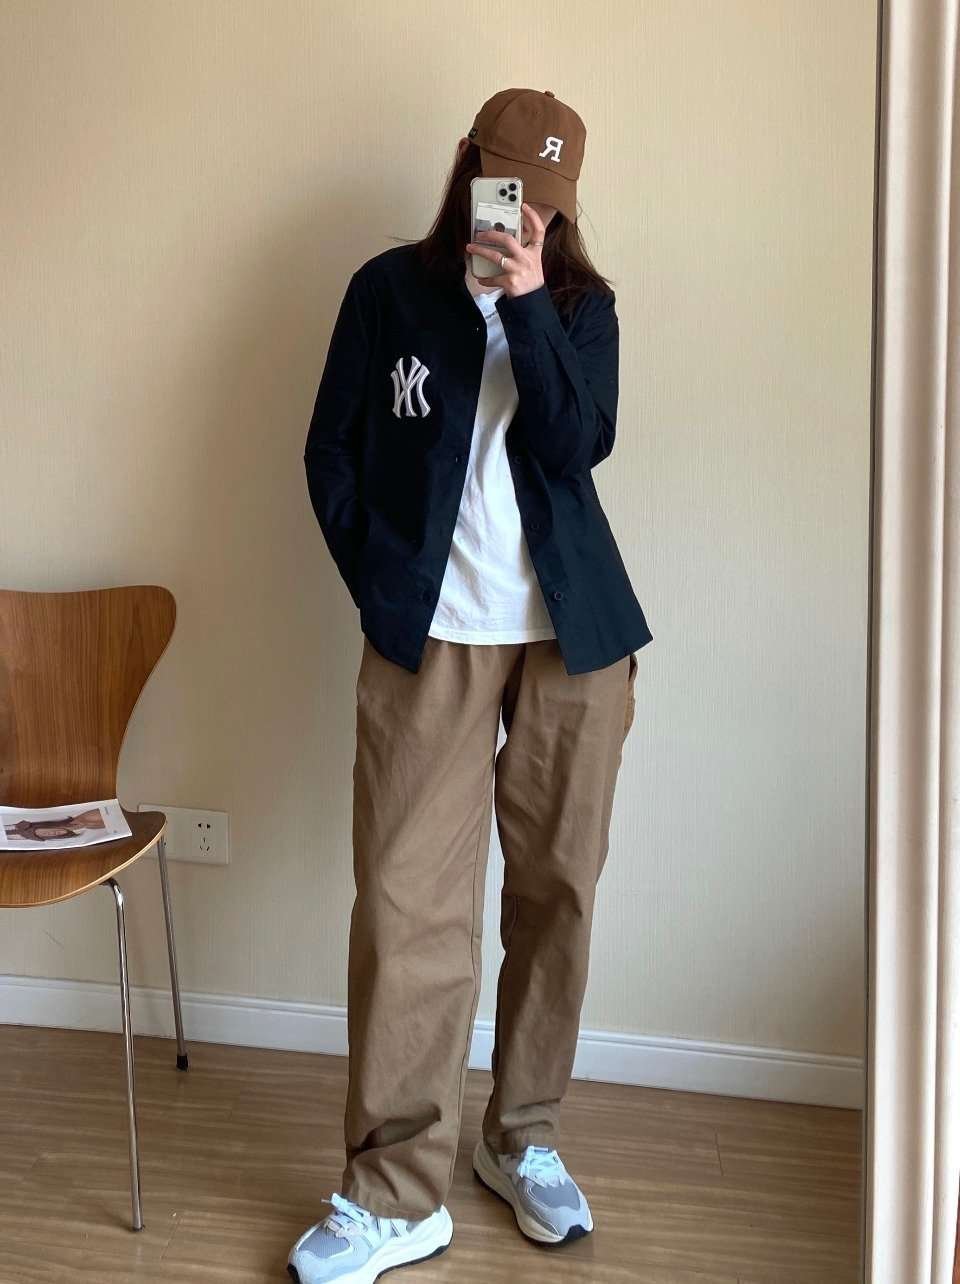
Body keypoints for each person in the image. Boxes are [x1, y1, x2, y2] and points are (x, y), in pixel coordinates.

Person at [289, 86, 653, 1284]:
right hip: (430, 640)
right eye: (508, 188)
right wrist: (382, 581)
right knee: (406, 911)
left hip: (573, 643)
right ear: (468, 167)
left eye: (546, 202)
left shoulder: (584, 308)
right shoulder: (388, 292)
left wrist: (531, 302)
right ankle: (396, 1193)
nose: (522, 214)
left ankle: (522, 1137)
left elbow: (577, 444)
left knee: (558, 895)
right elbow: (330, 450)